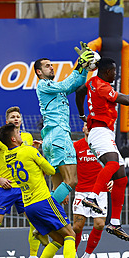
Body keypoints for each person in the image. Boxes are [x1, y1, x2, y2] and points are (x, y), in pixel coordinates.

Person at [0, 122, 82, 258]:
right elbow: (50, 170)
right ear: (14, 139)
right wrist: (41, 153)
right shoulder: (29, 151)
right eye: (18, 132)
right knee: (70, 234)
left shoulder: (8, 157)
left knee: (58, 240)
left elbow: (32, 170)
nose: (21, 134)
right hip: (43, 201)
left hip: (29, 206)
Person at [75, 57, 129, 241]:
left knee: (121, 178)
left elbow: (79, 92)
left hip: (104, 132)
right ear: (107, 71)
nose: (115, 74)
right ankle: (92, 197)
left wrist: (82, 113)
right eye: (114, 71)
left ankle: (114, 222)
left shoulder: (92, 82)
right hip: (99, 132)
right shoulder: (104, 87)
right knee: (113, 164)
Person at [0, 106, 47, 258]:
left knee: (35, 222)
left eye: (18, 116)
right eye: (12, 117)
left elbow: (27, 158)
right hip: (6, 188)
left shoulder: (26, 137)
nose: (16, 119)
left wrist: (35, 150)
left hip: (24, 188)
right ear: (7, 121)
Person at [35, 42, 94, 206]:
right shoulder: (43, 85)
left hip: (52, 139)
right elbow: (66, 84)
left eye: (52, 65)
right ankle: (44, 211)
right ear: (39, 72)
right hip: (59, 136)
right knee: (72, 180)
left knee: (59, 187)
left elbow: (76, 84)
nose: (51, 68)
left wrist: (85, 68)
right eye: (47, 66)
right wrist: (79, 65)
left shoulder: (54, 88)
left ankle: (49, 225)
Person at [71, 123, 112, 258]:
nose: (89, 127)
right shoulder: (76, 146)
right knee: (77, 227)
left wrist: (111, 178)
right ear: (83, 129)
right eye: (86, 125)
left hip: (100, 191)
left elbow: (111, 164)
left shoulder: (103, 145)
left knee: (100, 224)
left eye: (92, 125)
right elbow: (69, 167)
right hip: (82, 191)